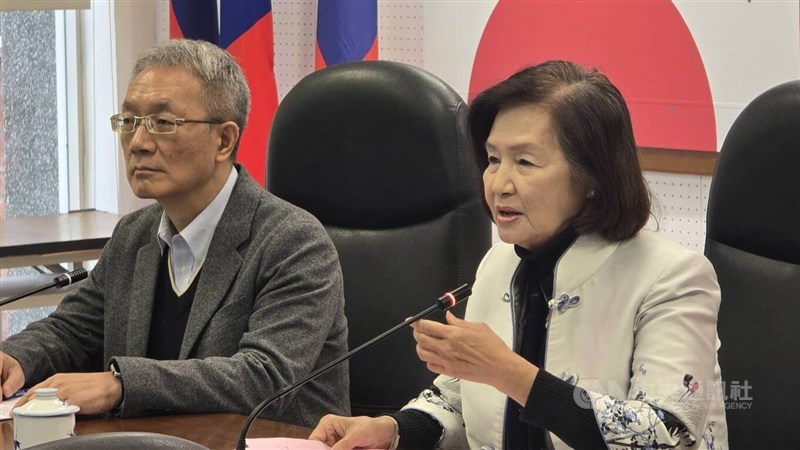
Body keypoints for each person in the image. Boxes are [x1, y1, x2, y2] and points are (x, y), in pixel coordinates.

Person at [309, 61, 728, 449]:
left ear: (592, 178)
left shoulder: (672, 278)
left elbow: (664, 435)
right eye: (493, 159)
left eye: (525, 162)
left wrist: (510, 373)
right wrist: (394, 429)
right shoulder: (500, 263)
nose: (499, 183)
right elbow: (459, 398)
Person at [0, 39, 350, 427]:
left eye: (163, 124)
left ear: (224, 140)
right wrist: (16, 357)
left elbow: (263, 379)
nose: (138, 143)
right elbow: (74, 330)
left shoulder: (293, 242)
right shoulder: (134, 235)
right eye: (129, 121)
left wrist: (120, 385)